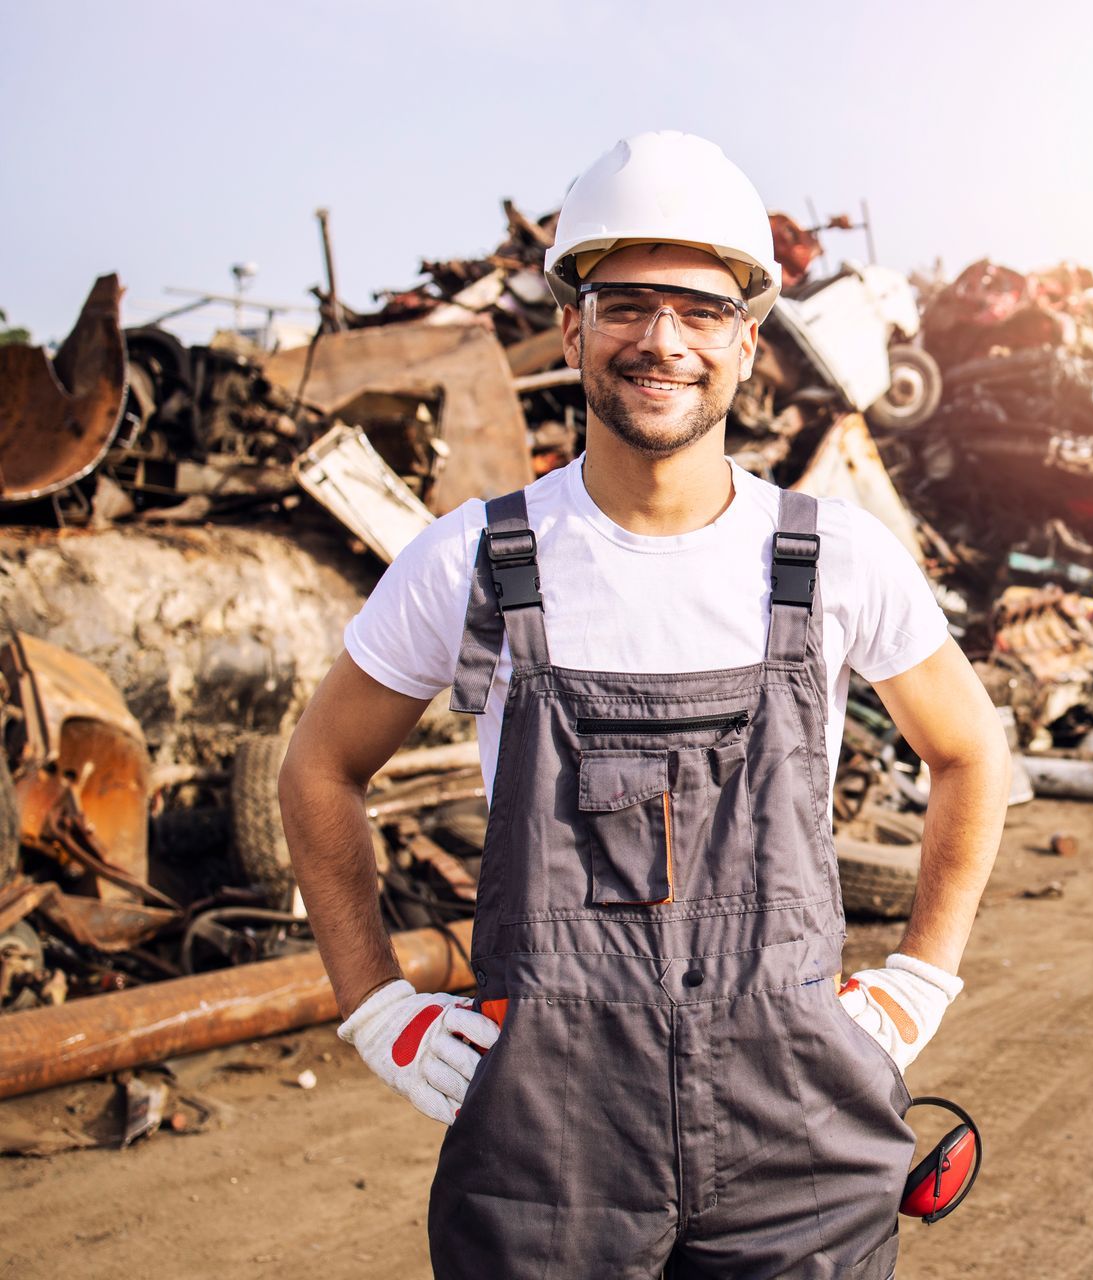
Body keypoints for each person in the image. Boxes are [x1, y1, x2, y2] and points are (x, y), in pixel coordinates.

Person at [280, 131, 1010, 1278]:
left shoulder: (830, 558)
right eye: (626, 303)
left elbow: (971, 751)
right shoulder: (470, 559)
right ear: (570, 324)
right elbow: (316, 769)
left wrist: (921, 974)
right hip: (546, 1150)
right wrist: (374, 1005)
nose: (662, 340)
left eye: (700, 308)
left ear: (747, 340)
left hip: (798, 1141)